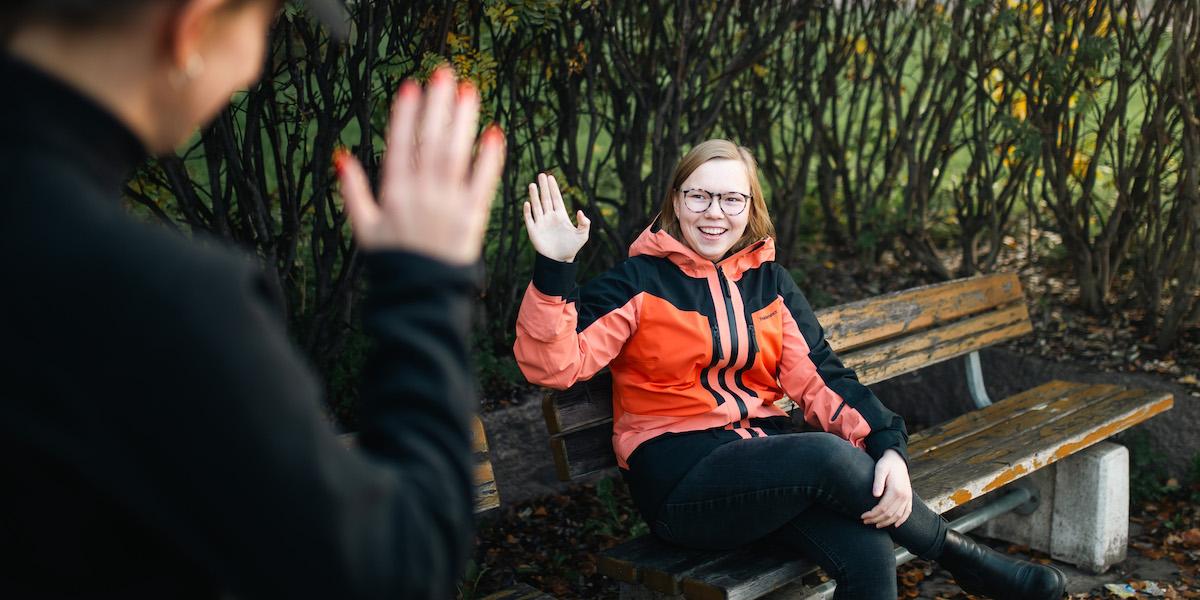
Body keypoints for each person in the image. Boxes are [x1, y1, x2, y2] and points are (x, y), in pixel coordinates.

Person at [0, 0, 503, 598]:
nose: (253, 69)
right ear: (191, 28)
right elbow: (396, 567)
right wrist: (425, 286)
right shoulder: (160, 303)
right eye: (262, 27)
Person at [513, 139, 1066, 599]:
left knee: (869, 548)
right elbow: (553, 365)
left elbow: (821, 376)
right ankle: (960, 557)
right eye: (699, 196)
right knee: (827, 454)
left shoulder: (769, 284)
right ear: (675, 203)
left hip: (768, 472)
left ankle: (960, 559)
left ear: (750, 207)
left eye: (731, 199)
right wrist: (555, 268)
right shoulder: (635, 284)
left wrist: (887, 449)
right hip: (684, 486)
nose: (714, 212)